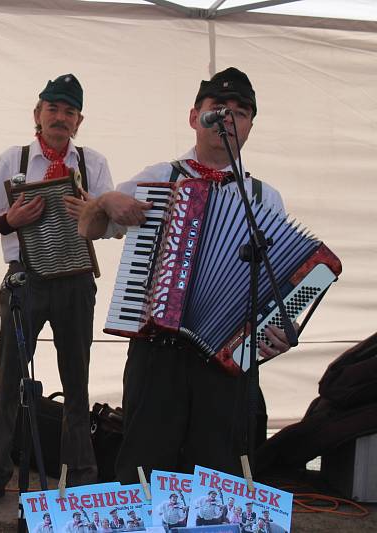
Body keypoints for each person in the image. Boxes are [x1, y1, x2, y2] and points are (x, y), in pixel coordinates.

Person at [79, 67, 294, 483]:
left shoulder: (264, 198)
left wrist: (279, 328)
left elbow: (278, 284)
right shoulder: (160, 177)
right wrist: (106, 201)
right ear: (195, 117)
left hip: (226, 358)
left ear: (250, 126)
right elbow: (88, 228)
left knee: (218, 473)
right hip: (157, 351)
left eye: (242, 112)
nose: (229, 118)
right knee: (143, 464)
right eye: (219, 108)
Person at [0, 73, 149, 509]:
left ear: (79, 121)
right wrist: (8, 222)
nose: (60, 117)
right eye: (53, 108)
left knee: (77, 380)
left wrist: (94, 207)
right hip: (23, 278)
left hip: (75, 280)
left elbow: (118, 228)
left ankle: (82, 479)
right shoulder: (13, 159)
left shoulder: (93, 162)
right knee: (9, 379)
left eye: (69, 111)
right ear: (37, 114)